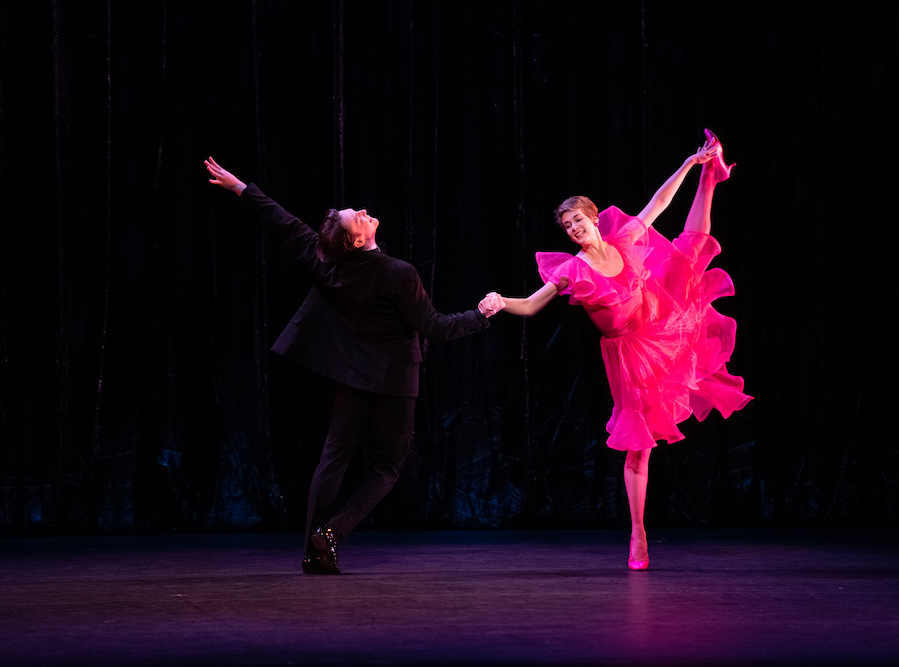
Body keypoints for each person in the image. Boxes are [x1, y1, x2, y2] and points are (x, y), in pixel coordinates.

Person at [205, 157, 505, 574]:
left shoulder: (327, 260)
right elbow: (435, 327)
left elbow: (283, 222)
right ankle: (331, 533)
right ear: (358, 240)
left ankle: (312, 551)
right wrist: (481, 314)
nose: (363, 211)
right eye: (357, 217)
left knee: (334, 458)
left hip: (353, 378)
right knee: (386, 468)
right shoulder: (399, 273)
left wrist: (241, 188)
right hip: (395, 381)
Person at [487, 130, 751, 570]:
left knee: (689, 250)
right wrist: (500, 302)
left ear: (593, 218)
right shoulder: (573, 269)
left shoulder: (623, 240)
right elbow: (531, 304)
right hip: (631, 356)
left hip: (662, 322)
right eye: (568, 226)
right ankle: (638, 532)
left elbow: (658, 203)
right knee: (639, 446)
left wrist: (690, 164)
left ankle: (711, 175)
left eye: (578, 220)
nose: (574, 229)